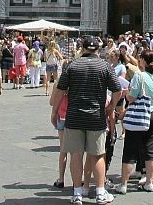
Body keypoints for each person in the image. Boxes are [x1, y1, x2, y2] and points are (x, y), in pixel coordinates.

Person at [51, 36, 122, 205]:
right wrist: (111, 107)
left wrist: (54, 112)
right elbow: (117, 90)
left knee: (76, 154)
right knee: (97, 155)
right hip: (96, 117)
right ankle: (99, 193)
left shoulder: (73, 65)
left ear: (82, 48)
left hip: (73, 116)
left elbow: (60, 90)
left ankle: (77, 194)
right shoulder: (105, 66)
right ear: (98, 50)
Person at [115, 51, 153, 194]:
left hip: (140, 113)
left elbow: (131, 97)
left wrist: (126, 93)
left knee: (130, 149)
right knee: (150, 148)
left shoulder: (139, 75)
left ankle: (123, 185)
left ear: (142, 60)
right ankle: (149, 182)